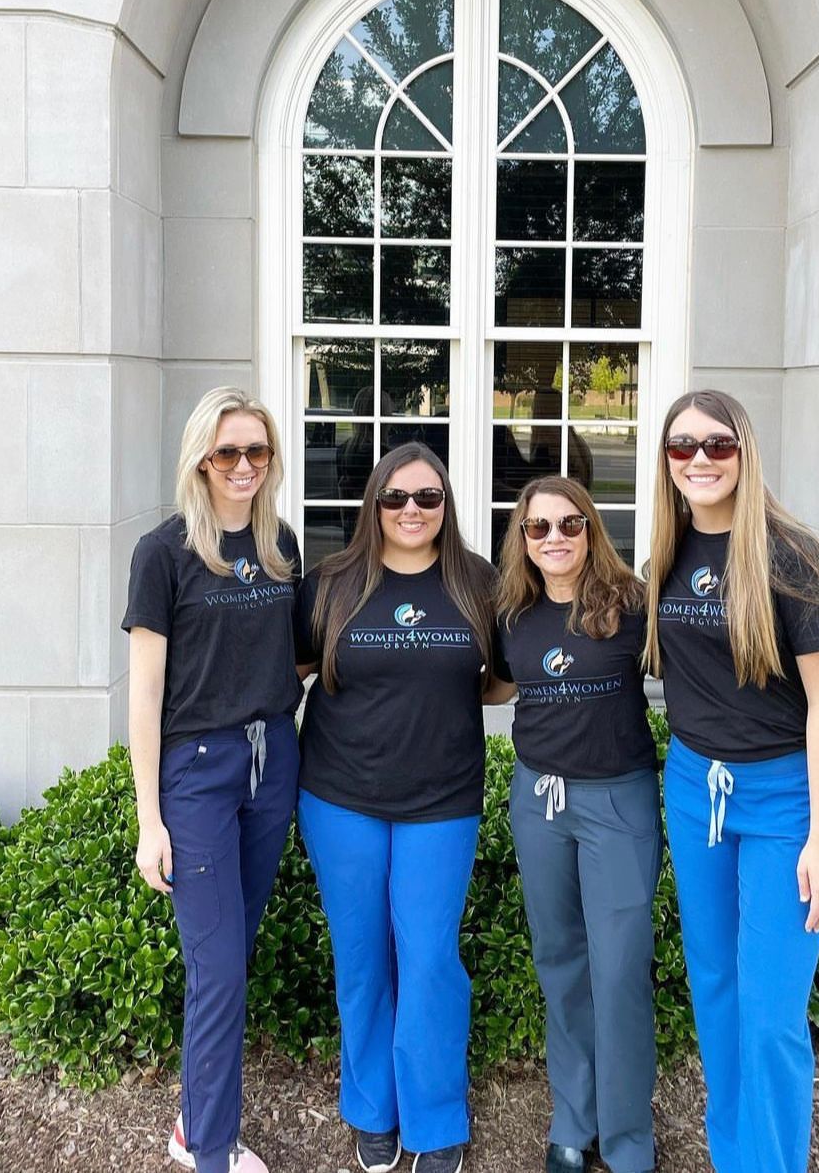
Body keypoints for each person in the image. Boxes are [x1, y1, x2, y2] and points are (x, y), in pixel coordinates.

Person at [644, 390, 819, 1173]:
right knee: (718, 996)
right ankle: (739, 1157)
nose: (699, 459)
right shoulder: (667, 549)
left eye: (717, 444)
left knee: (769, 1017)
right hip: (695, 786)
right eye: (682, 446)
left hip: (780, 801)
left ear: (745, 450)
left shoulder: (792, 556)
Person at [294, 441, 495, 1173]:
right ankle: (372, 1111)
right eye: (396, 497)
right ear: (373, 503)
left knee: (431, 957)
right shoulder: (331, 583)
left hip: (442, 802)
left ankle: (435, 1118)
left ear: (446, 505)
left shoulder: (478, 583)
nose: (412, 509)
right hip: (339, 798)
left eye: (428, 497)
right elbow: (296, 670)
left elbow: (500, 679)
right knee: (362, 957)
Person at [124, 387, 301, 1173]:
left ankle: (195, 1116)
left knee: (231, 951)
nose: (242, 466)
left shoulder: (280, 544)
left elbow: (296, 658)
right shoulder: (163, 553)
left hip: (274, 762)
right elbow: (146, 691)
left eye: (256, 451)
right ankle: (211, 1148)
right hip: (196, 774)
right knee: (219, 965)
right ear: (201, 456)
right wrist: (147, 819)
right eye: (227, 451)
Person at [486, 477, 661, 1173]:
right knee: (560, 963)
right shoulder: (512, 615)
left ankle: (627, 1141)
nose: (554, 537)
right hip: (539, 802)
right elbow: (495, 682)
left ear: (591, 529)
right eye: (538, 527)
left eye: (569, 523)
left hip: (617, 802)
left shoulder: (633, 606)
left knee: (618, 971)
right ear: (522, 540)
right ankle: (572, 1120)